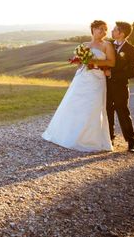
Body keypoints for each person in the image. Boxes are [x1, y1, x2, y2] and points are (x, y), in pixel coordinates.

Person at [41, 20, 115, 152]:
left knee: (93, 107)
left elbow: (111, 62)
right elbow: (80, 62)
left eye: (105, 29)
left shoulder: (107, 45)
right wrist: (79, 60)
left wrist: (93, 61)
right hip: (82, 78)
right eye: (100, 29)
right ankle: (69, 135)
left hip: (97, 79)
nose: (103, 32)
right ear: (93, 29)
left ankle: (89, 139)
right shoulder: (84, 45)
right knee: (74, 104)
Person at [105, 22, 134, 152]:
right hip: (106, 86)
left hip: (120, 87)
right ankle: (109, 139)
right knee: (108, 112)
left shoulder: (132, 50)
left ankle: (131, 141)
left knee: (123, 113)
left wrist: (112, 73)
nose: (112, 32)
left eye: (114, 30)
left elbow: (133, 72)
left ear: (122, 33)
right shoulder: (108, 45)